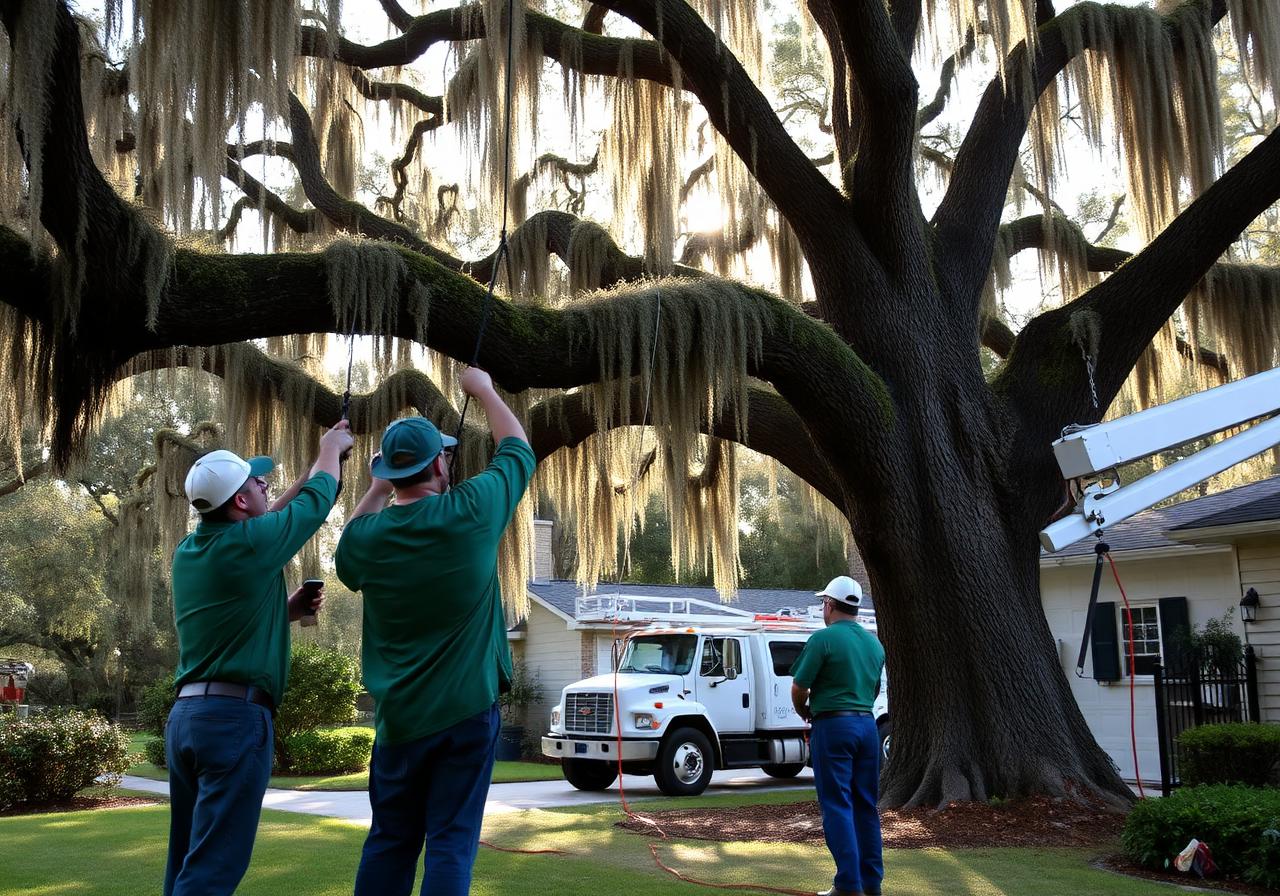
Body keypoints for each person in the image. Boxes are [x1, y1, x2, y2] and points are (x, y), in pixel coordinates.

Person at [336, 366, 535, 896]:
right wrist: (485, 391)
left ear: (390, 473)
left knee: (390, 842)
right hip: (467, 714)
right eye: (444, 456)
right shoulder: (470, 511)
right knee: (450, 841)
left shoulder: (367, 541)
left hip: (400, 722)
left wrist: (377, 488)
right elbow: (517, 451)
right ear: (439, 466)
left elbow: (347, 552)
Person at [164, 421, 354, 896]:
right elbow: (314, 503)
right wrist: (328, 452)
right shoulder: (249, 544)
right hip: (233, 720)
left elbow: (275, 516)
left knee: (188, 858)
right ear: (241, 502)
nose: (265, 483)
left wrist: (283, 612)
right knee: (213, 869)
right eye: (256, 481)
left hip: (187, 719)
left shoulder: (191, 550)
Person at [791, 575, 886, 896]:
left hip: (833, 726)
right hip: (866, 726)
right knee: (865, 805)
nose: (823, 608)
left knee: (837, 804)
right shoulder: (874, 643)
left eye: (823, 603)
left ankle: (847, 883)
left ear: (830, 605)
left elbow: (799, 687)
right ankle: (871, 882)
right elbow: (873, 691)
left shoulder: (823, 640)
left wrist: (804, 711)